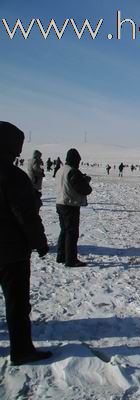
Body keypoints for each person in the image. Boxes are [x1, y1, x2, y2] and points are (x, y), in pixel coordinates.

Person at [0, 122, 52, 366]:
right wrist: (40, 242)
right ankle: (21, 350)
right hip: (10, 252)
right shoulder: (12, 175)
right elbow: (26, 215)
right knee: (17, 303)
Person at [55, 149, 92, 268]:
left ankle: (61, 256)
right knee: (72, 233)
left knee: (64, 231)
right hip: (70, 205)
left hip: (60, 203)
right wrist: (85, 181)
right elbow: (84, 189)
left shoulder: (61, 169)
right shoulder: (73, 171)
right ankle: (70, 260)